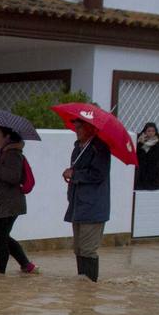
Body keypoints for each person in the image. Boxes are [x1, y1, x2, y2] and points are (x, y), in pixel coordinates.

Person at [0, 125, 38, 276]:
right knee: (1, 236)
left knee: (0, 238)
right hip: (1, 204)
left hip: (8, 205)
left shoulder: (13, 154)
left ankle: (0, 275)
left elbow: (13, 177)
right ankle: (26, 265)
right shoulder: (0, 154)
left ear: (7, 137)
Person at [63, 119, 110, 282]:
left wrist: (75, 175)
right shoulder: (78, 148)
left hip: (93, 206)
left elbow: (98, 174)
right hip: (77, 205)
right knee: (79, 248)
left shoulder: (99, 148)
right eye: (76, 126)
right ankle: (82, 284)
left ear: (90, 128)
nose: (76, 130)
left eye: (80, 127)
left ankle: (90, 287)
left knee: (88, 249)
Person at [134, 122, 159, 191]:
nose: (151, 133)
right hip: (142, 172)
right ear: (145, 132)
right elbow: (137, 155)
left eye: (153, 131)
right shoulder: (140, 142)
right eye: (149, 131)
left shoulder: (158, 144)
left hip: (154, 173)